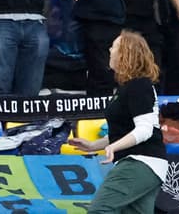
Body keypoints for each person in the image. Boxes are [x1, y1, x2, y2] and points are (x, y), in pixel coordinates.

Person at [66, 30, 166, 214]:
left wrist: (114, 147)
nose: (110, 50)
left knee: (100, 210)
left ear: (125, 54)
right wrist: (94, 145)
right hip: (148, 165)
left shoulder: (138, 86)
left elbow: (144, 130)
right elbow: (127, 130)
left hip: (139, 162)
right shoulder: (130, 87)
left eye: (115, 46)